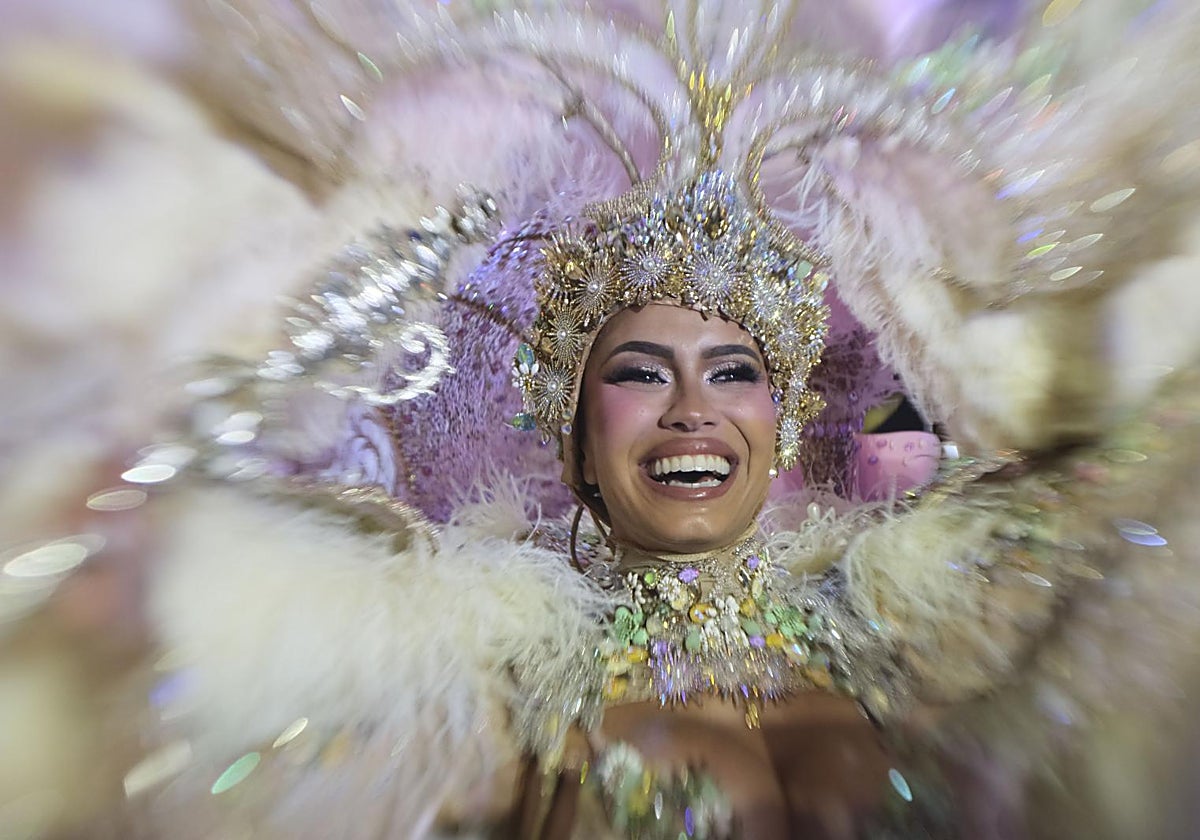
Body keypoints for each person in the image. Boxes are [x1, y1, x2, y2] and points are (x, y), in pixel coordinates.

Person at [3, 1, 1200, 838]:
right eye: (641, 371)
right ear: (577, 431)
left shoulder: (919, 608)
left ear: (780, 424)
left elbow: (1133, 494)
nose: (693, 411)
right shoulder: (485, 666)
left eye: (734, 371)